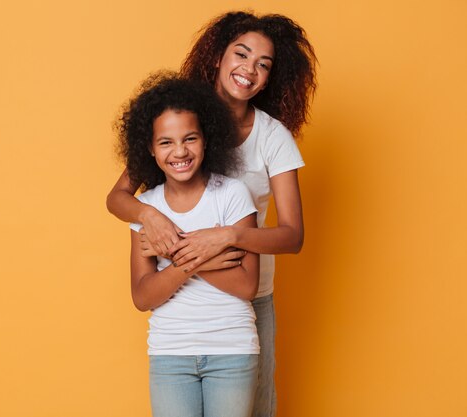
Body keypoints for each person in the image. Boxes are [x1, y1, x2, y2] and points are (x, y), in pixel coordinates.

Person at [107, 11, 318, 417]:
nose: (249, 69)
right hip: (183, 314)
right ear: (217, 57)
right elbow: (117, 198)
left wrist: (226, 237)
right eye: (241, 54)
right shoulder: (183, 120)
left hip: (248, 293)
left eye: (264, 64)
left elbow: (292, 235)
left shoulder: (273, 137)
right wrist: (149, 216)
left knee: (257, 409)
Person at [118, 72, 261, 417]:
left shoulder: (232, 195)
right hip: (170, 353)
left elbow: (246, 284)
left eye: (190, 138)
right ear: (149, 149)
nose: (179, 151)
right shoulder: (148, 210)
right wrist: (203, 257)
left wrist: (173, 251)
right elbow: (143, 297)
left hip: (232, 349)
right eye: (165, 142)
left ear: (206, 140)